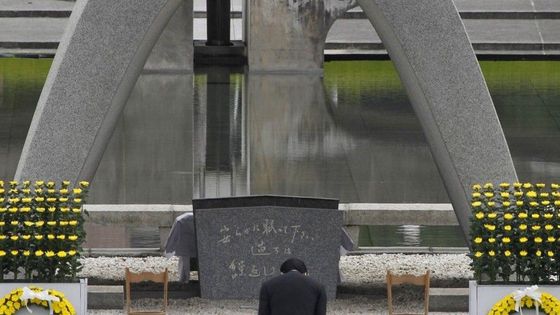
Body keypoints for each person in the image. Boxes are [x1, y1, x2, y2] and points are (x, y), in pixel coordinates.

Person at [258, 258, 327, 315]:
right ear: (306, 274)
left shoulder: (268, 285)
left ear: (282, 273)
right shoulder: (318, 287)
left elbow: (263, 312)